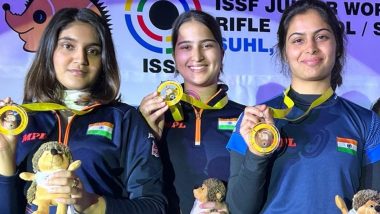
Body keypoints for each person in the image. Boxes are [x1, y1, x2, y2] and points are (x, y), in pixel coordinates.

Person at [0, 8, 166, 214]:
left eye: (93, 51)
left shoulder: (125, 119)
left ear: (104, 61)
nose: (81, 59)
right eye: (68, 46)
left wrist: (90, 203)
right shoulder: (23, 121)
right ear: (49, 51)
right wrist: (5, 156)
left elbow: (155, 207)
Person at [225, 0, 380, 213]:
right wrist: (257, 152)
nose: (311, 48)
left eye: (322, 37)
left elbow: (372, 203)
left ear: (338, 46)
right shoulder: (255, 120)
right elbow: (239, 209)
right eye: (298, 40)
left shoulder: (367, 122)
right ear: (284, 51)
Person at [139, 10, 245, 214]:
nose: (197, 56)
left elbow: (252, 184)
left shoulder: (245, 119)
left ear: (222, 53)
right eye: (186, 47)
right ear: (174, 56)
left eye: (207, 45)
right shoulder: (152, 115)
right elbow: (136, 184)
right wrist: (147, 137)